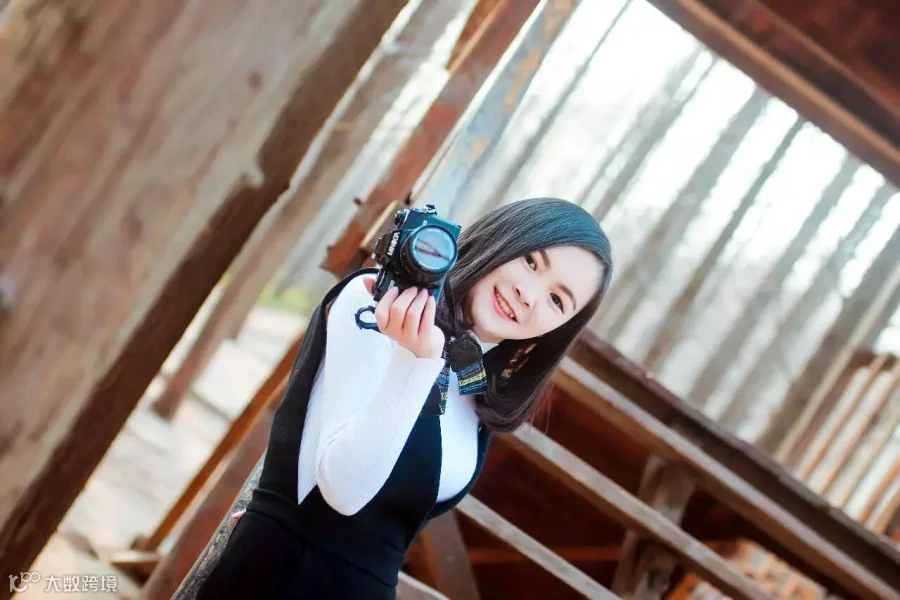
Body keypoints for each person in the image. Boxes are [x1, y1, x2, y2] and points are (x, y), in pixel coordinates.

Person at [196, 197, 613, 599]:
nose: (529, 295)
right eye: (531, 261)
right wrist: (417, 360)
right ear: (500, 238)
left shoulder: (475, 386)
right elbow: (343, 490)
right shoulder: (377, 304)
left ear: (557, 329)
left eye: (557, 300)